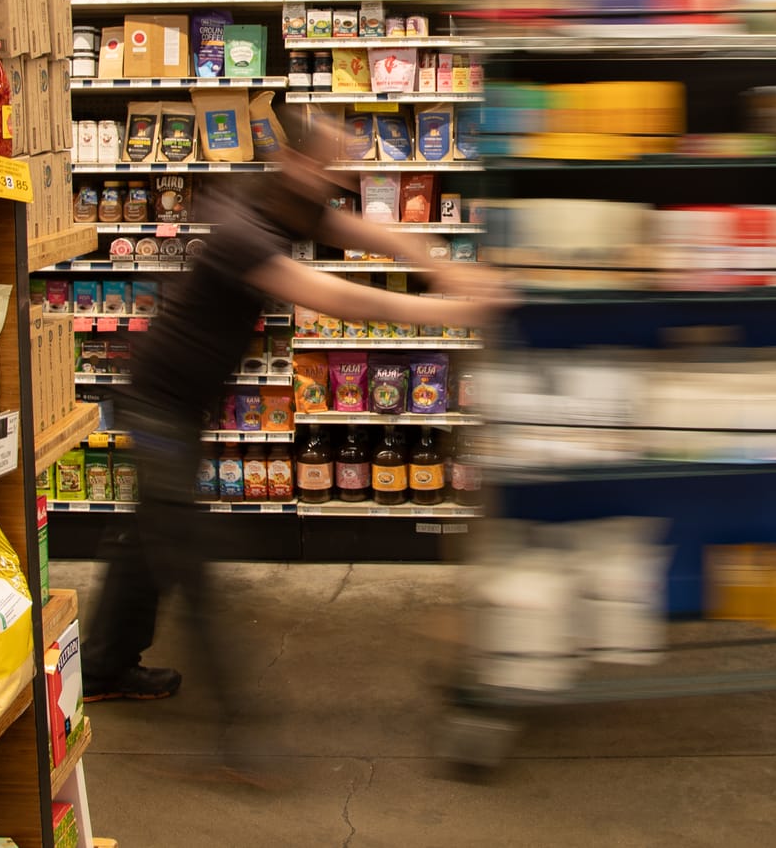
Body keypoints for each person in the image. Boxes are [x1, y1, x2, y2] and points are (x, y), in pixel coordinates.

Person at [80, 116, 504, 770]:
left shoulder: (289, 197)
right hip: (160, 401)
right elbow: (335, 297)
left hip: (182, 401)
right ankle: (242, 731)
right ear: (299, 162)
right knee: (189, 556)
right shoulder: (245, 225)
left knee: (147, 539)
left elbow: (365, 230)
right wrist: (451, 310)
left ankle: (104, 663)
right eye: (332, 171)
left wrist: (441, 265)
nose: (338, 185)